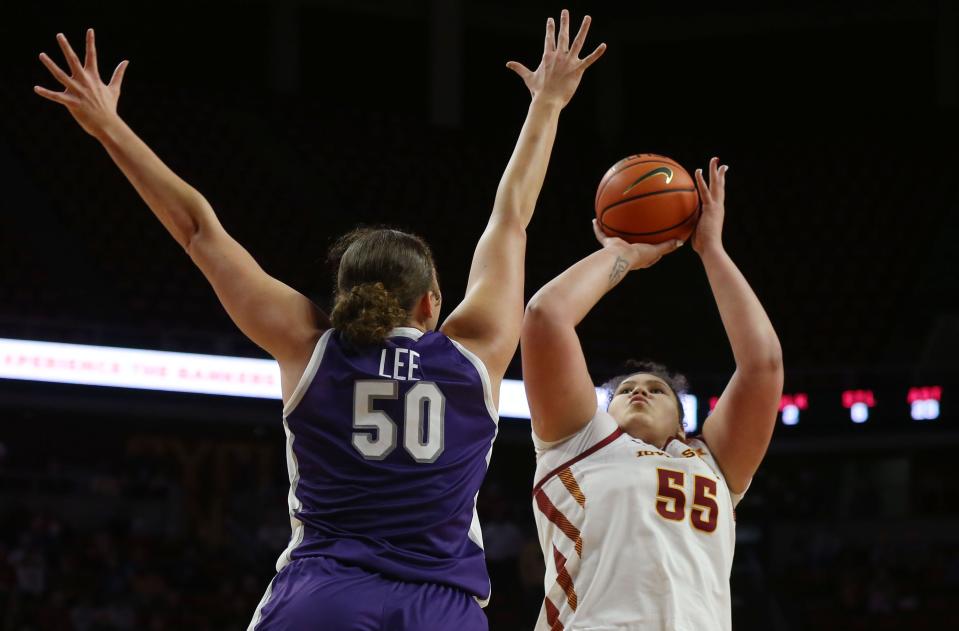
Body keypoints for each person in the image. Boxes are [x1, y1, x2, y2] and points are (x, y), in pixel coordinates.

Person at [34, 10, 604, 630]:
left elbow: (199, 229)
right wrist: (547, 104)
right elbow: (511, 218)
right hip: (441, 608)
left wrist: (109, 128)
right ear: (432, 303)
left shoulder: (310, 347)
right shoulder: (477, 351)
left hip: (325, 595)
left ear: (341, 295)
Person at [520, 158, 784, 630]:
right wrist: (623, 253)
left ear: (682, 420)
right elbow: (545, 317)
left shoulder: (711, 462)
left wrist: (712, 250)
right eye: (625, 391)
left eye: (656, 389)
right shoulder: (577, 445)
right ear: (605, 410)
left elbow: (763, 366)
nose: (639, 391)